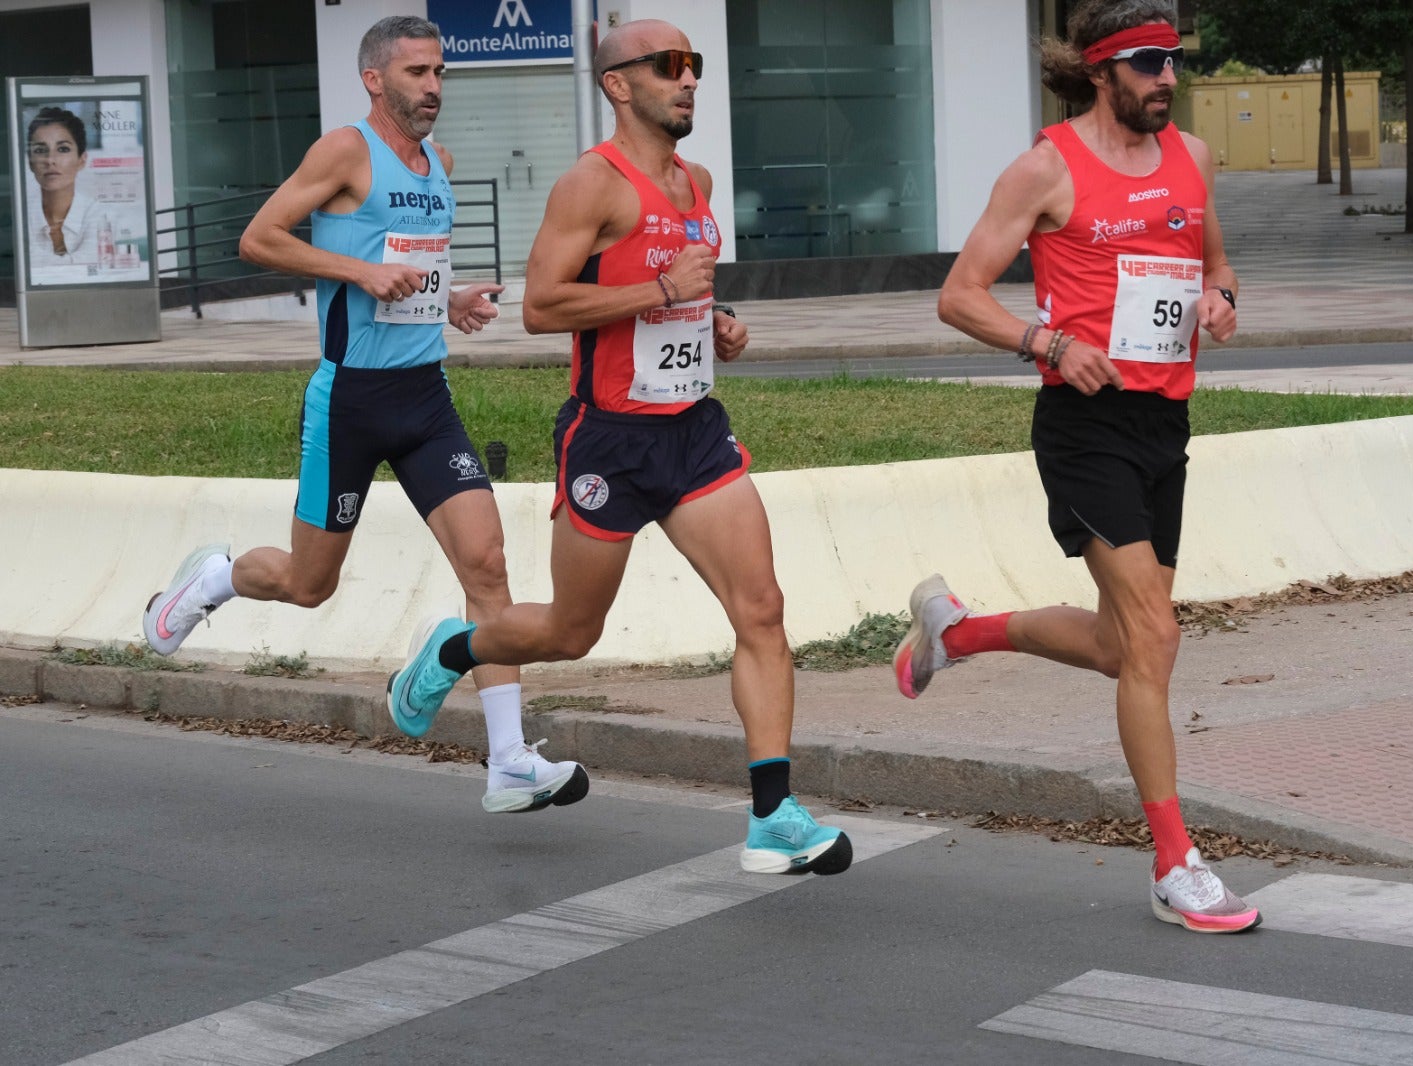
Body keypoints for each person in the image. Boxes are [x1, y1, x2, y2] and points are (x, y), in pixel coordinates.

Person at [386, 18, 852, 877]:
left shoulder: (697, 181)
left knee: (762, 611)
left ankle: (772, 816)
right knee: (570, 633)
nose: (688, 82)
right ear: (618, 84)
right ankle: (455, 650)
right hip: (610, 442)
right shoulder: (590, 186)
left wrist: (712, 323)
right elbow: (543, 306)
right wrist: (661, 290)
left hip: (695, 434)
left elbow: (676, 296)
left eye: (694, 66)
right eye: (669, 67)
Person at [141, 16, 589, 818]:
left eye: (441, 72)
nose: (434, 88)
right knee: (309, 585)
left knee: (486, 567)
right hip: (347, 402)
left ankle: (510, 759)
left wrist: (446, 299)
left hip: (425, 398)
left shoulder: (439, 165)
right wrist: (357, 269)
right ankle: (215, 579)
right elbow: (259, 238)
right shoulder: (344, 151)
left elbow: (406, 272)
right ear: (375, 80)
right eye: (418, 72)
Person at [894, 0, 1258, 933]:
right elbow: (959, 296)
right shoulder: (1047, 167)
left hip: (1164, 424)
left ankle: (959, 631)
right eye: (1146, 64)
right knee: (1154, 636)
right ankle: (1175, 862)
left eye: (1173, 61)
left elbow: (1215, 265)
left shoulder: (1194, 158)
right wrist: (1048, 343)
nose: (1165, 78)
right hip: (1083, 422)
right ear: (1101, 72)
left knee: (1118, 647)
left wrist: (1220, 299)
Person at [24, 106, 115, 270]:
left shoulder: (99, 213)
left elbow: (95, 263)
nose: (50, 160)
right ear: (31, 162)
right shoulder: (22, 215)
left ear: (81, 160)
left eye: (63, 149)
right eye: (40, 150)